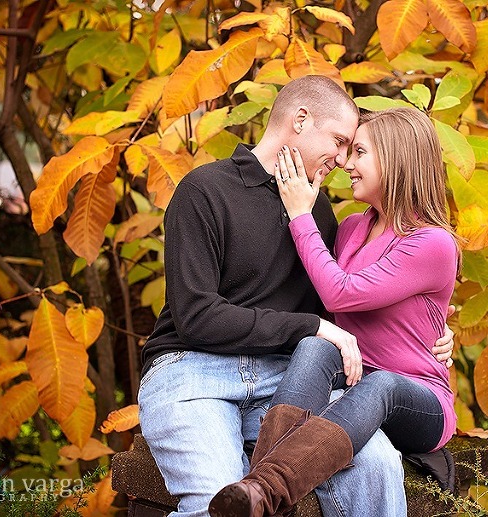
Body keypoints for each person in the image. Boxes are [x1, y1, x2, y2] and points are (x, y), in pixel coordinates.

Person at [138, 76, 455, 517]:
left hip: (282, 377)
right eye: (341, 142)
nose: (342, 160)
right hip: (194, 370)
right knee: (215, 495)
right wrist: (312, 327)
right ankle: (260, 493)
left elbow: (353, 296)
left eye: (354, 150)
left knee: (378, 464)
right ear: (301, 120)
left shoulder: (318, 212)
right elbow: (197, 316)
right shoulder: (204, 190)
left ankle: (265, 491)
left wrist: (435, 328)